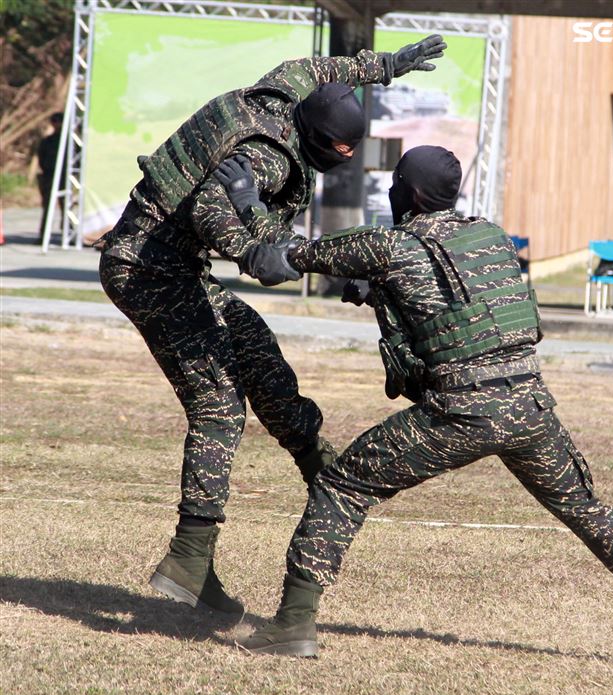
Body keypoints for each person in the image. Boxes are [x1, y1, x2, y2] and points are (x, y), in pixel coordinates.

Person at [213, 145, 613, 667]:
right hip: (530, 406)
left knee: (342, 484)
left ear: (408, 194)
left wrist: (247, 200)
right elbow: (455, 307)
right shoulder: (492, 237)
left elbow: (274, 260)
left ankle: (294, 624)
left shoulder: (389, 246)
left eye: (395, 186)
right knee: (586, 510)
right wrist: (382, 293)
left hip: (462, 410)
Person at [97, 37, 448, 615]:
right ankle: (190, 556)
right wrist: (254, 249)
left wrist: (385, 68)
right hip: (147, 267)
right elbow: (213, 210)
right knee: (218, 408)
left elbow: (324, 67)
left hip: (173, 263)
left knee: (258, 351)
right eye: (335, 154)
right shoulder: (270, 157)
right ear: (315, 145)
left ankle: (322, 470)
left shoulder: (284, 90)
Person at [36, 112, 65, 245]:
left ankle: (67, 233)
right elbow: (41, 159)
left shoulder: (69, 141)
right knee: (48, 207)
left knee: (66, 206)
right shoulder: (47, 141)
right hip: (49, 176)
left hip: (64, 177)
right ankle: (44, 235)